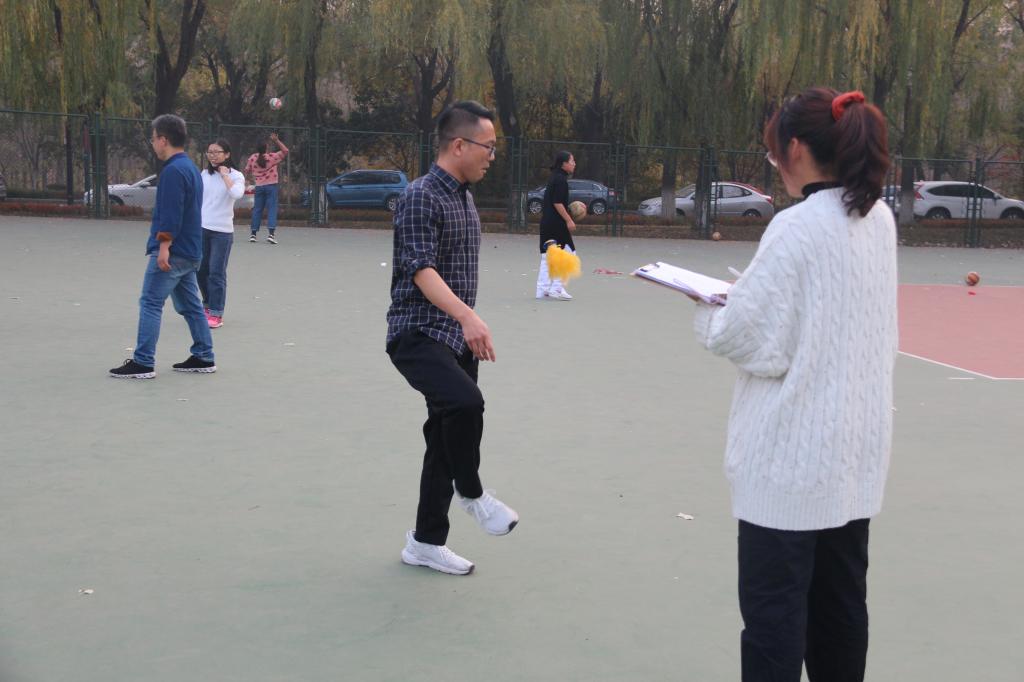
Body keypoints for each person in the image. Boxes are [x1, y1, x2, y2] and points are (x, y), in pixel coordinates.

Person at [691, 87, 897, 681]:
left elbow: (751, 340)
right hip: (853, 456)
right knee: (841, 613)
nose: (776, 163)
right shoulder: (878, 219)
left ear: (797, 148)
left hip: (789, 462)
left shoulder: (796, 226)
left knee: (773, 627)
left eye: (775, 151)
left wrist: (709, 307)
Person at [386, 100, 519, 576]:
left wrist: (465, 325)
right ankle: (473, 493)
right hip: (417, 334)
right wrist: (468, 317)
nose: (492, 156)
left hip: (455, 339)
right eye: (488, 146)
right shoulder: (421, 196)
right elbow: (420, 269)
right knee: (465, 403)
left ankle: (425, 542)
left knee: (443, 439)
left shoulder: (463, 196)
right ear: (459, 145)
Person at [109, 115, 216, 378]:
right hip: (190, 250)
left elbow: (171, 213)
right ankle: (204, 356)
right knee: (191, 306)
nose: (153, 142)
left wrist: (164, 247)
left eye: (154, 138)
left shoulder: (172, 172)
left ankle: (143, 362)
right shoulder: (190, 168)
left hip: (174, 252)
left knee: (150, 302)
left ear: (163, 140)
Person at [197, 138, 245, 328]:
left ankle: (217, 313)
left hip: (222, 233)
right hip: (202, 229)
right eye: (210, 152)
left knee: (216, 272)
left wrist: (225, 175)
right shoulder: (204, 174)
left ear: (227, 154)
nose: (213, 156)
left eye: (217, 152)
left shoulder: (236, 176)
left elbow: (237, 194)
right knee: (201, 270)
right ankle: (207, 305)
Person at [536, 150, 577, 300]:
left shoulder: (554, 177)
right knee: (569, 254)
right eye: (572, 161)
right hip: (556, 225)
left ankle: (543, 290)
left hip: (547, 223)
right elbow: (557, 202)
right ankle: (556, 289)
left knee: (547, 257)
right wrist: (569, 220)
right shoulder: (561, 180)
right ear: (564, 163)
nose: (574, 164)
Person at [244, 132, 289, 244]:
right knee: (272, 209)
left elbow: (246, 170)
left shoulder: (252, 158)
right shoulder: (272, 157)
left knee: (257, 209)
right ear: (266, 148)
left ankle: (253, 234)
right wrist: (276, 140)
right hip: (271, 186)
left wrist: (247, 180)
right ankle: (271, 234)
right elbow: (285, 151)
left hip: (259, 187)